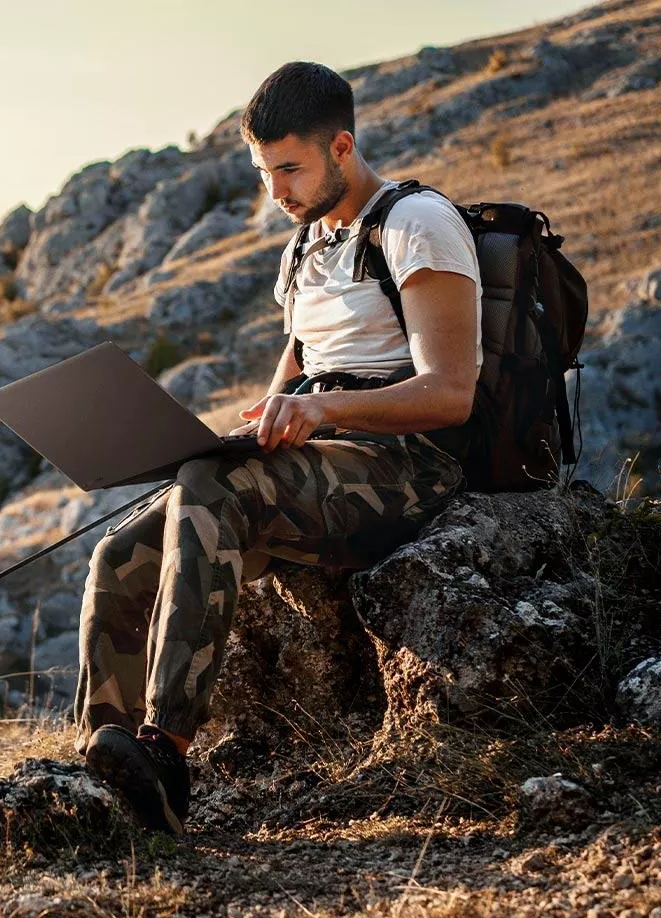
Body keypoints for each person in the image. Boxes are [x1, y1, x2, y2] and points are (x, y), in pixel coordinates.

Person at [73, 61, 484, 834]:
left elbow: (450, 392)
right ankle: (102, 756)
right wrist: (240, 432)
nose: (277, 192)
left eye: (289, 169)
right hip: (322, 466)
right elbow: (285, 387)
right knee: (120, 553)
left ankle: (164, 753)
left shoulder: (415, 224)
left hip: (411, 467)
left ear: (342, 146)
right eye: (265, 173)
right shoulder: (302, 250)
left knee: (212, 489)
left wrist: (320, 409)